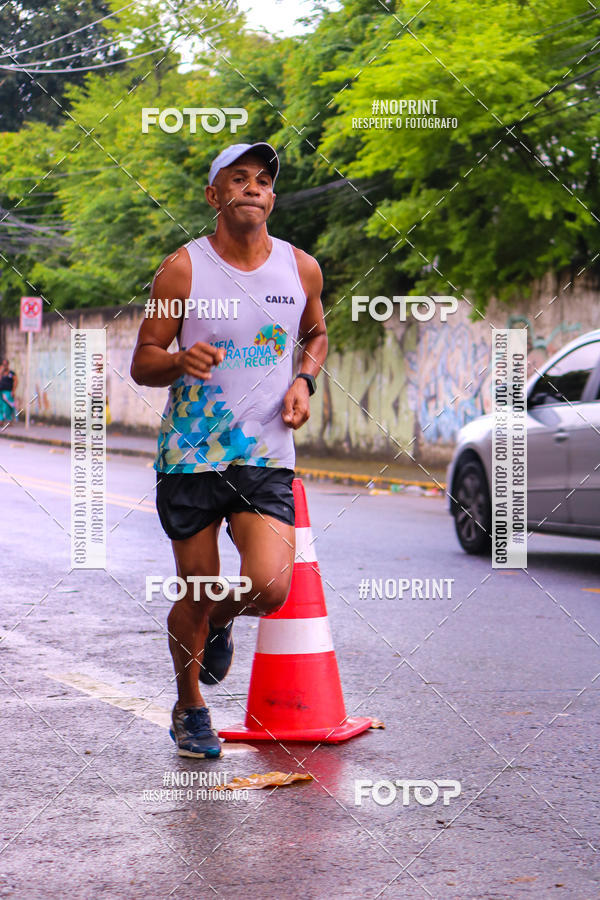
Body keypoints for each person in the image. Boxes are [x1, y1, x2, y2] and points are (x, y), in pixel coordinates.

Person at [131, 141, 328, 758]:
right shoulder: (182, 269)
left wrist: (304, 379)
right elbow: (143, 361)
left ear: (271, 198)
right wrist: (177, 360)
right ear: (214, 196)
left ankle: (215, 622)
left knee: (270, 587)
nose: (252, 188)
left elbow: (317, 333)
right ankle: (190, 705)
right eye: (237, 179)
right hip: (192, 454)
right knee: (198, 583)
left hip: (265, 452)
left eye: (263, 181)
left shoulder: (301, 269)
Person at [0, 358, 17, 424]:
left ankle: (9, 420)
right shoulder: (1, 373)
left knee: (7, 406)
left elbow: (16, 381)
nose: (4, 366)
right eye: (3, 365)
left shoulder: (11, 373)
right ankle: (1, 420)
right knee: (1, 406)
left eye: (5, 365)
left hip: (8, 392)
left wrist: (13, 391)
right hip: (0, 391)